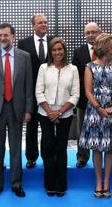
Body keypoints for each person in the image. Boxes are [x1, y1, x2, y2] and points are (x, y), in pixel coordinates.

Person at [0, 23, 33, 198]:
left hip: (17, 108)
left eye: (6, 35)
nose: (2, 38)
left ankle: (17, 184)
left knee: (16, 148)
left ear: (13, 36)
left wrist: (28, 109)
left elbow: (28, 86)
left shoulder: (24, 57)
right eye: (0, 36)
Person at [79, 33, 112, 198]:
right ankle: (98, 181)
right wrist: (100, 108)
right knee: (97, 148)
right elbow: (87, 91)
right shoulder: (89, 67)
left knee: (110, 148)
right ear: (104, 48)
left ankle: (107, 182)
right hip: (95, 112)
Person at [72, 22, 112, 169]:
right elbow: (76, 76)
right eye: (88, 32)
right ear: (84, 34)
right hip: (85, 99)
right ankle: (82, 156)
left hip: (107, 100)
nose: (91, 35)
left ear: (99, 32)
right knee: (83, 129)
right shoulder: (78, 52)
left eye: (94, 32)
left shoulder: (110, 51)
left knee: (111, 129)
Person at [36, 37, 79, 197]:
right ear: (51, 52)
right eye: (54, 50)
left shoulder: (73, 69)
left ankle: (61, 184)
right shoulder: (43, 68)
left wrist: (59, 112)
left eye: (60, 49)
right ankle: (49, 183)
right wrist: (50, 112)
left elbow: (75, 95)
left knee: (61, 149)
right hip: (45, 114)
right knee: (48, 148)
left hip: (65, 114)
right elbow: (38, 92)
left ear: (64, 51)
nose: (57, 52)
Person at [18, 14, 54, 169]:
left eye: (45, 22)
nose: (43, 25)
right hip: (30, 91)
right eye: (40, 23)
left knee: (48, 127)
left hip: (51, 91)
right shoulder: (23, 43)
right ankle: (31, 157)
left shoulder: (54, 40)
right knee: (31, 126)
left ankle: (48, 156)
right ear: (33, 25)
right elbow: (20, 67)